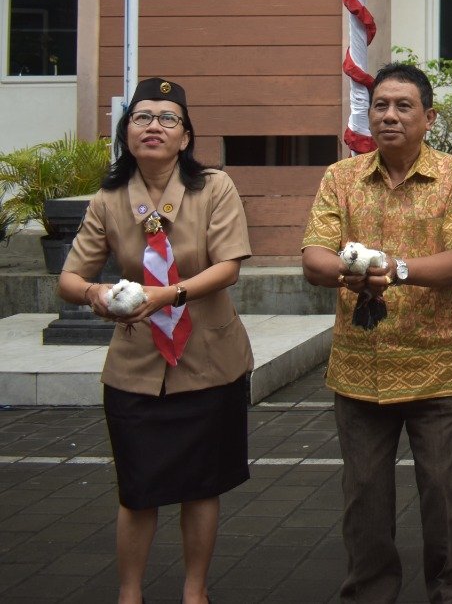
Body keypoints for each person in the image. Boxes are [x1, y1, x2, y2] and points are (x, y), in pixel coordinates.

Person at [301, 62, 452, 604]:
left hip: (439, 369)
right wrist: (352, 271)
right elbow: (314, 258)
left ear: (428, 117)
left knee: (446, 499)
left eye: (403, 106)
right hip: (360, 368)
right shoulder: (341, 177)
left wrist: (395, 269)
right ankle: (370, 593)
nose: (389, 115)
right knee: (363, 498)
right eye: (380, 105)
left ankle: (448, 594)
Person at [58, 77, 254, 604]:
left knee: (202, 485)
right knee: (137, 488)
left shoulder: (214, 187)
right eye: (142, 117)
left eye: (168, 119)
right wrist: (95, 293)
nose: (154, 127)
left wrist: (171, 293)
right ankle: (130, 594)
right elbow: (70, 278)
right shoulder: (108, 198)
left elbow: (229, 266)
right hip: (137, 368)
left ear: (185, 137)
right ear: (126, 132)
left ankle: (195, 592)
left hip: (209, 360)